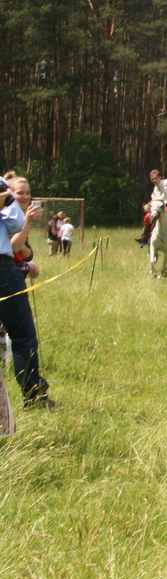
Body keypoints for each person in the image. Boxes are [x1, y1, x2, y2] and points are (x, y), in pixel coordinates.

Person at [0, 175, 54, 409]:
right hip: (3, 271)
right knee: (23, 336)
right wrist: (8, 201)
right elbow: (13, 226)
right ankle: (33, 397)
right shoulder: (3, 189)